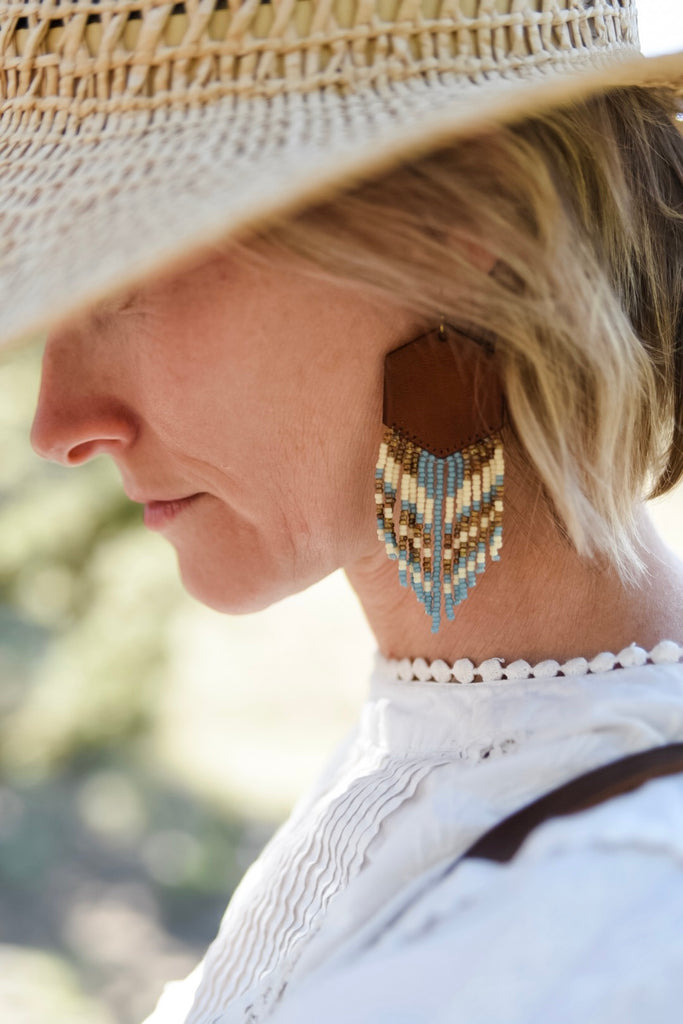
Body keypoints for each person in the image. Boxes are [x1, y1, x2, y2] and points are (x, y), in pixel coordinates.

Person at [2, 0, 683, 1021]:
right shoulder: (442, 745)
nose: (59, 423)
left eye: (126, 280)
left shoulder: (595, 922)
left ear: (471, 224)